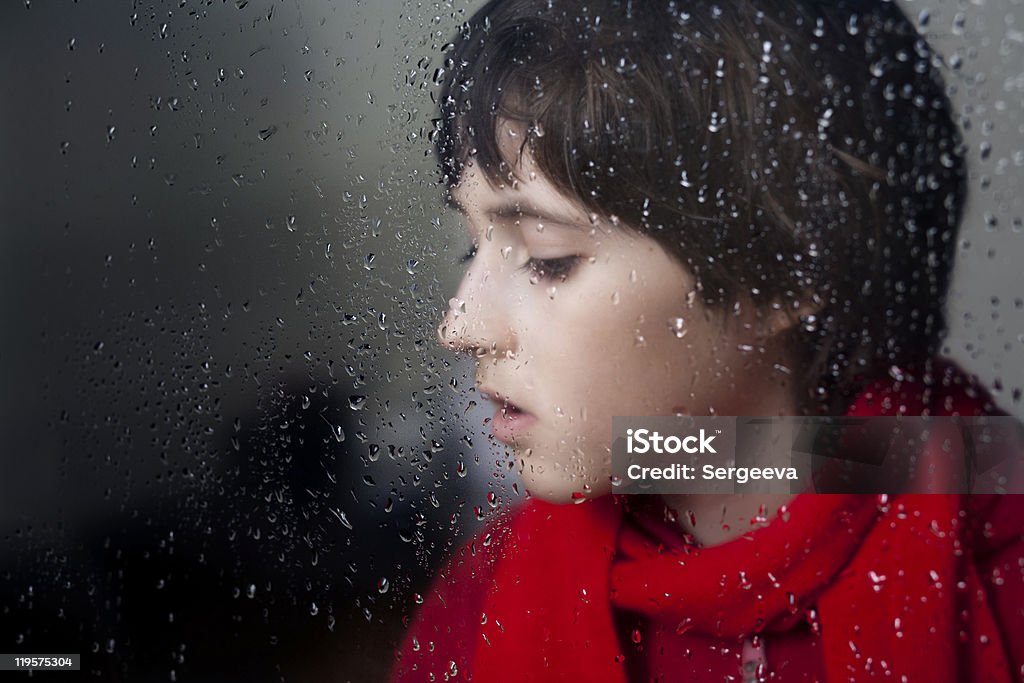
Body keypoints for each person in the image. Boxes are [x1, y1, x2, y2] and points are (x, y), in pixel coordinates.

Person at [394, 0, 1024, 680]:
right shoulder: (482, 602)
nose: (459, 324)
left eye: (549, 258)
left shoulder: (1002, 569)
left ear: (787, 272)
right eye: (473, 251)